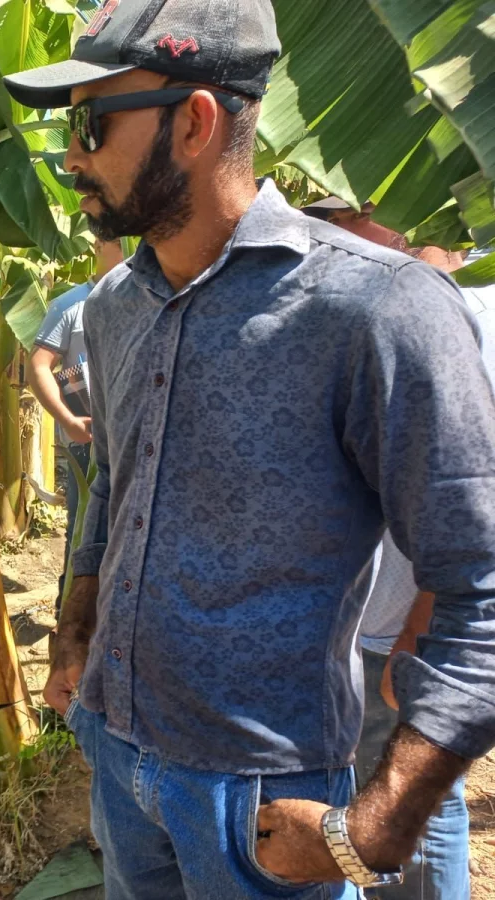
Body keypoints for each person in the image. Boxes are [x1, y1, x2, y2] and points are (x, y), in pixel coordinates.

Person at [4, 0, 495, 897]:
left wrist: (377, 829)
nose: (71, 157)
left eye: (91, 124)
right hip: (119, 755)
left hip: (263, 800)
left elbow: (483, 583)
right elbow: (114, 486)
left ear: (194, 123)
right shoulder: (114, 309)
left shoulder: (375, 309)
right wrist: (75, 628)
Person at [304, 196, 491, 900]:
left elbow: (473, 514)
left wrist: (421, 632)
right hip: (359, 628)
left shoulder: (452, 318)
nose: (325, 238)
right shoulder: (373, 309)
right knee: (369, 798)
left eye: (338, 220)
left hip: (404, 630)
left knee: (418, 804)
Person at [28, 243, 123, 613]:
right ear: (99, 245)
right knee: (84, 532)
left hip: (133, 439)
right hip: (88, 442)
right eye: (119, 241)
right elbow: (39, 366)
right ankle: (69, 620)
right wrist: (67, 420)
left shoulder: (149, 295)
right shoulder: (71, 305)